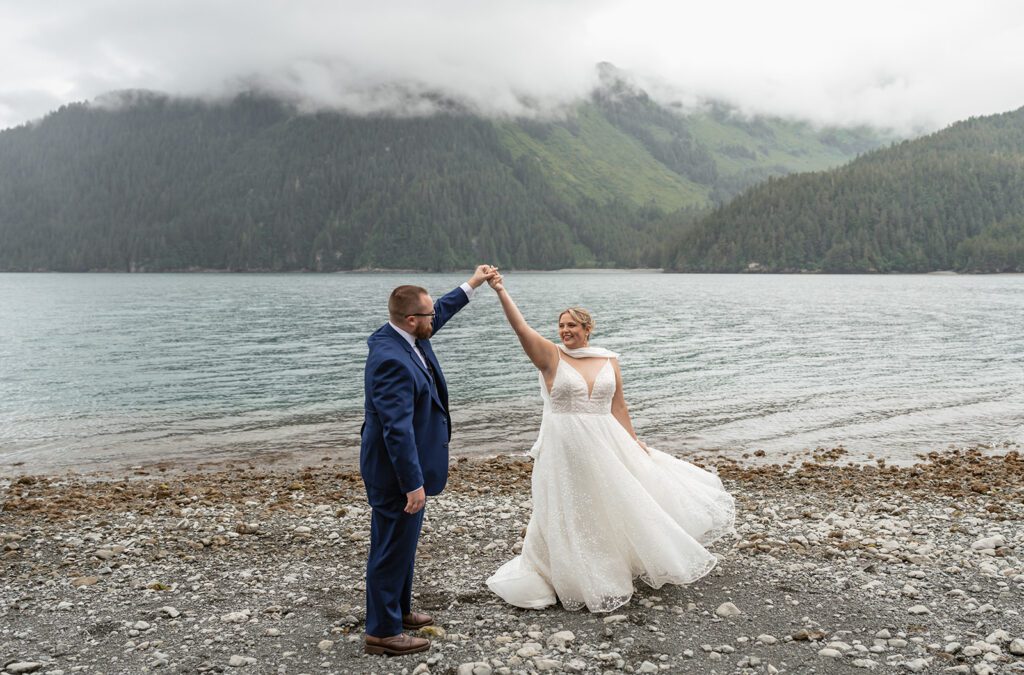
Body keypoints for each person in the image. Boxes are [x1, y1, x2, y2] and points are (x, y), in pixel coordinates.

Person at [484, 272, 735, 612]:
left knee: (610, 503)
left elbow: (618, 405)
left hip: (606, 442)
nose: (565, 331)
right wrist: (500, 290)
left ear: (588, 329)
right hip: (565, 446)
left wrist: (633, 442)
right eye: (561, 325)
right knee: (569, 507)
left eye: (572, 325)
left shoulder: (608, 359)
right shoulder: (550, 357)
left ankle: (610, 563)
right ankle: (568, 573)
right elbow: (521, 329)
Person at [361, 265, 495, 656]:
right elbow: (396, 430)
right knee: (389, 548)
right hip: (395, 474)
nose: (434, 317)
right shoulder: (392, 360)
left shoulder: (407, 336)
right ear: (411, 319)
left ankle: (397, 611)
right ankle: (382, 632)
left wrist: (473, 283)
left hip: (405, 469)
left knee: (401, 544)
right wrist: (412, 483)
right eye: (428, 315)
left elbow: (441, 308)